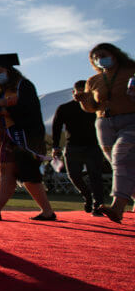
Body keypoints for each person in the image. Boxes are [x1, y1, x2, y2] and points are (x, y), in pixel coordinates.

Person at [0, 54, 56, 221]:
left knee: (27, 173)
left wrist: (0, 109)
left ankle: (47, 211)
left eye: (0, 71)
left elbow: (28, 108)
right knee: (5, 169)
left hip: (25, 136)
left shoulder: (24, 86)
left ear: (9, 71)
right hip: (4, 136)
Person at [74, 43, 135, 224]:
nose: (100, 59)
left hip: (131, 120)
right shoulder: (93, 80)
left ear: (115, 55)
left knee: (121, 156)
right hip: (104, 123)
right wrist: (83, 100)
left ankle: (117, 207)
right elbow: (91, 107)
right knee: (120, 164)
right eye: (95, 57)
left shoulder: (131, 71)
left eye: (103, 54)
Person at [52, 80, 106, 215]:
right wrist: (55, 146)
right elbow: (56, 127)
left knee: (95, 176)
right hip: (73, 146)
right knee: (74, 175)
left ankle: (98, 205)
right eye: (79, 92)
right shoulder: (65, 108)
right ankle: (87, 196)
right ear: (74, 93)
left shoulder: (96, 107)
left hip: (94, 146)